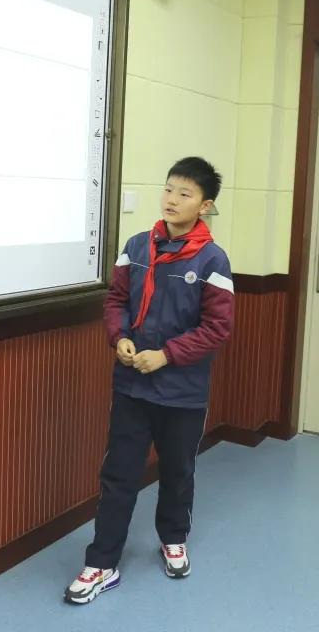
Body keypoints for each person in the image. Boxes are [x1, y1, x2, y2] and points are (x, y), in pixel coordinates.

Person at [65, 156, 234, 604]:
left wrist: (166, 355)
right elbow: (117, 300)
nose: (172, 199)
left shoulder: (213, 259)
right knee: (119, 474)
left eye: (185, 193)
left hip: (183, 393)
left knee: (178, 471)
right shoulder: (137, 247)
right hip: (132, 386)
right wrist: (119, 336)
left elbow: (217, 329)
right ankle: (102, 563)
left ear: (205, 205)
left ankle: (173, 537)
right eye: (168, 189)